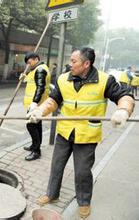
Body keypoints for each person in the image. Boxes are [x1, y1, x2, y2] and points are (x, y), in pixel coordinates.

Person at [27, 47, 135, 218]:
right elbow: (53, 100)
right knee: (56, 166)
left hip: (87, 135)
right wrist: (40, 111)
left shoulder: (104, 80)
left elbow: (126, 96)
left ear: (86, 64)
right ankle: (52, 194)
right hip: (64, 132)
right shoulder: (63, 79)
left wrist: (123, 110)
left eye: (74, 61)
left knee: (82, 172)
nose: (70, 64)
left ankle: (84, 202)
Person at [19, 52, 50, 161]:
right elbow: (32, 81)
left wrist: (34, 103)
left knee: (31, 125)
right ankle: (34, 146)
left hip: (36, 104)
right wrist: (24, 77)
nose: (28, 64)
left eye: (29, 62)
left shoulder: (40, 69)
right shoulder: (36, 69)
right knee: (37, 126)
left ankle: (36, 151)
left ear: (36, 59)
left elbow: (40, 87)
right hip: (36, 103)